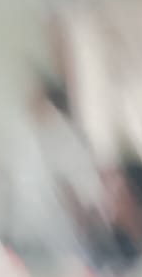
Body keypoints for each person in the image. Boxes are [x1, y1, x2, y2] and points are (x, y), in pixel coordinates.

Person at [7, 74, 103, 265]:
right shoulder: (29, 137)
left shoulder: (63, 133)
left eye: (36, 99)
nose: (30, 105)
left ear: (46, 102)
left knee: (81, 258)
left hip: (74, 218)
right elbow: (26, 183)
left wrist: (83, 205)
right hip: (43, 224)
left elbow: (81, 174)